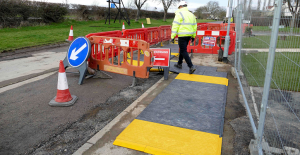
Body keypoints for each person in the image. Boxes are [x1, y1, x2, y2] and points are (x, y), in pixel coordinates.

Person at [171, 1, 197, 74]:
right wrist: (193, 36)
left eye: (179, 7)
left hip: (182, 35)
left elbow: (175, 25)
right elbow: (195, 26)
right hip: (189, 35)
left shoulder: (179, 14)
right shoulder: (191, 14)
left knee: (183, 50)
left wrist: (172, 36)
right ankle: (179, 64)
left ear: (181, 6)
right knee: (182, 49)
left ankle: (191, 66)